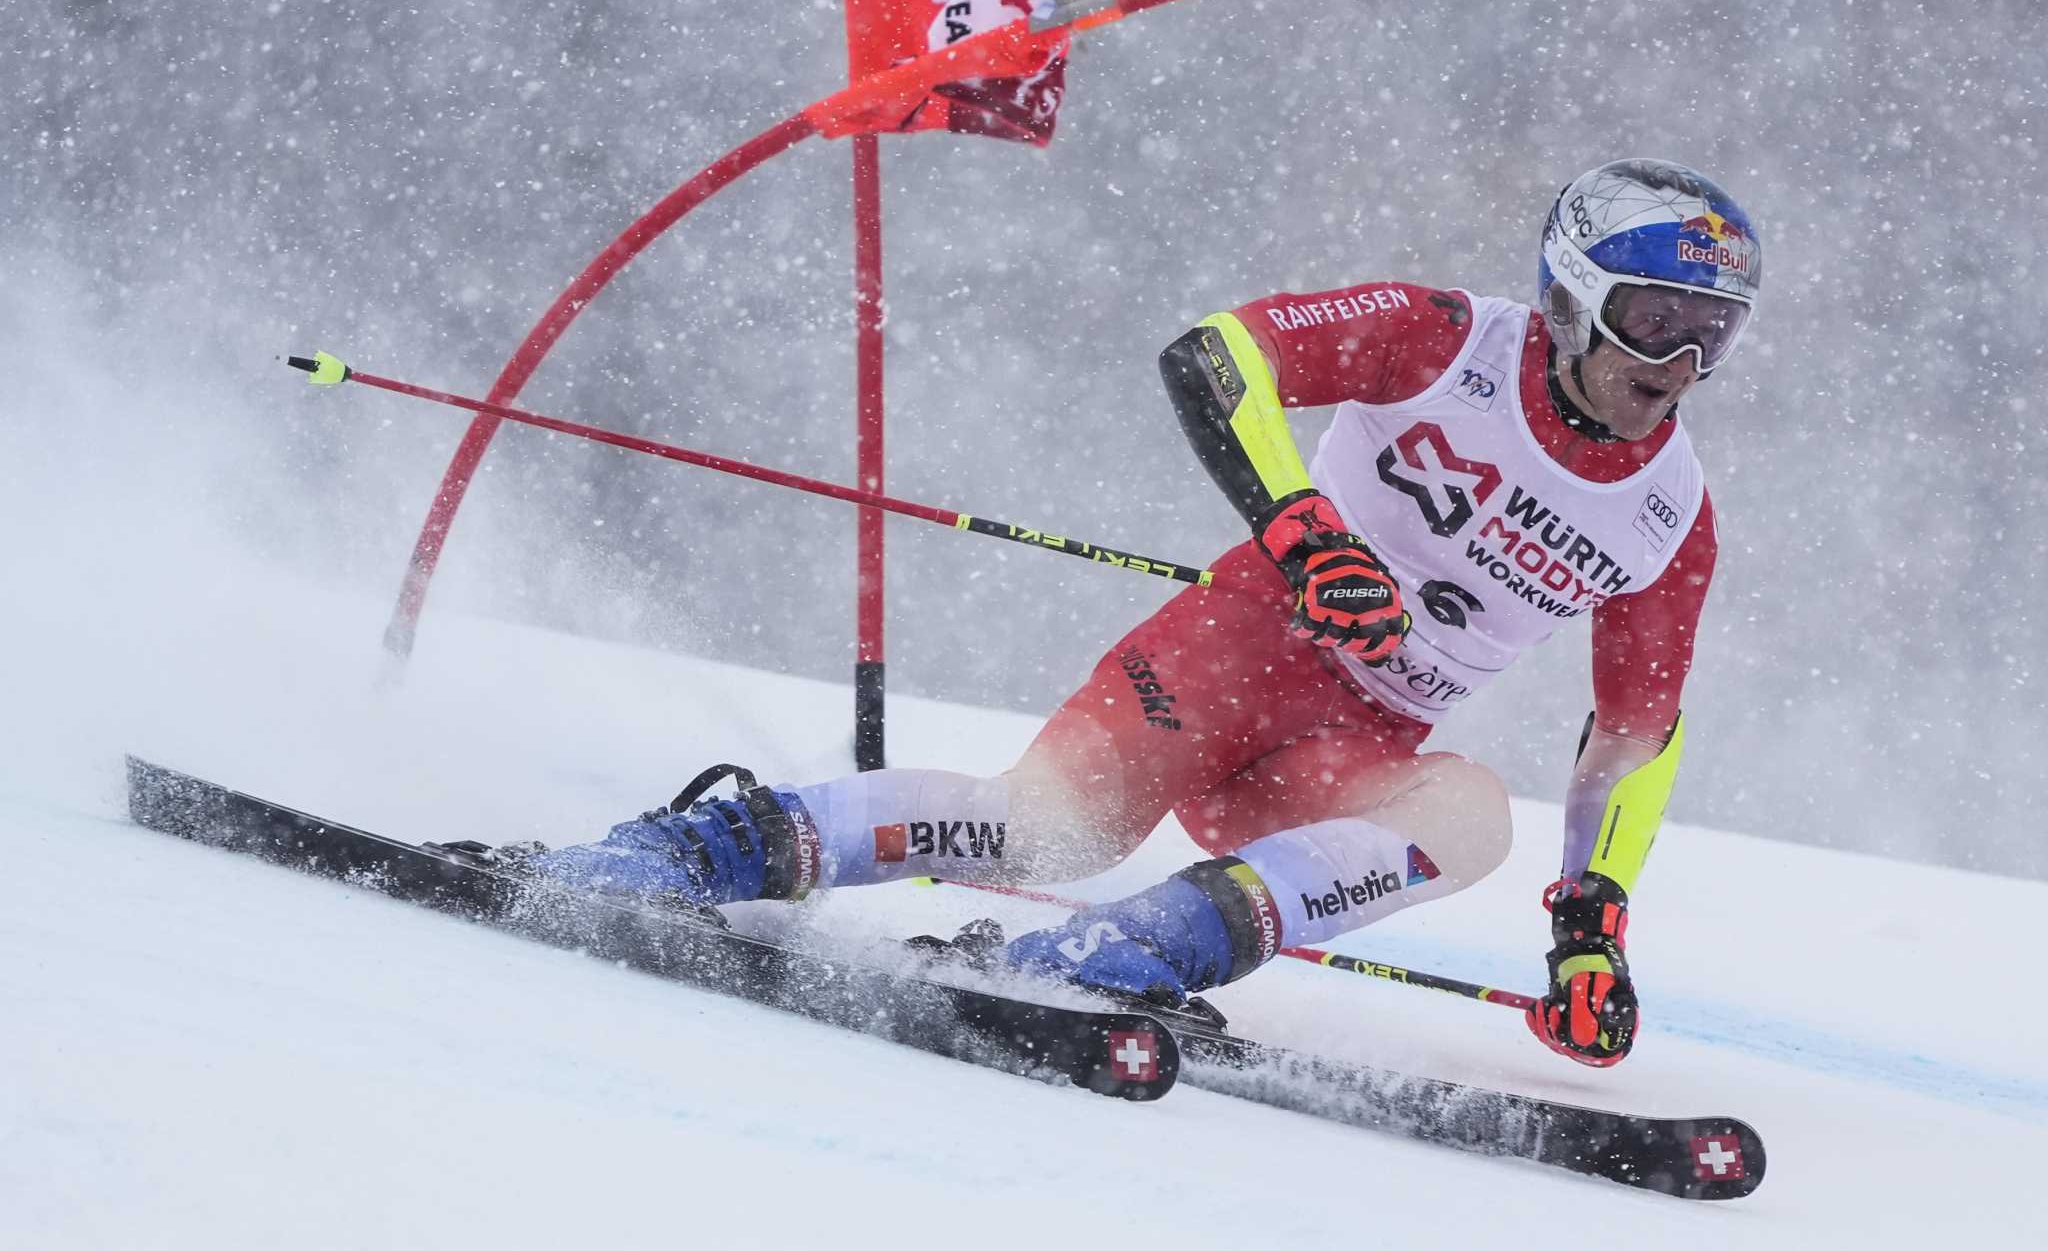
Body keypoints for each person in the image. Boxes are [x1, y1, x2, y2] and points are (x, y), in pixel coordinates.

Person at [496, 158, 1762, 1069]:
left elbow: (1631, 738)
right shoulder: (1437, 339)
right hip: (1242, 647)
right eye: (1653, 321)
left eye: (1712, 335)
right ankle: (692, 854)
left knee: (1469, 813)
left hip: (1343, 753)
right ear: (1565, 294)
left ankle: (1125, 957)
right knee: (1047, 833)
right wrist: (1299, 526)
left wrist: (1590, 924)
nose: (1675, 366)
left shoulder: (1669, 518)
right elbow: (1217, 354)